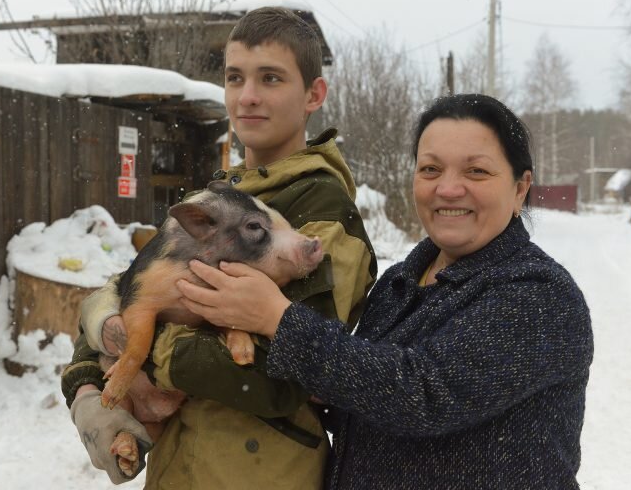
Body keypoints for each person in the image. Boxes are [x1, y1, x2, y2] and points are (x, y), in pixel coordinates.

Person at [177, 93, 595, 489]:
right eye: (430, 169)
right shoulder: (400, 283)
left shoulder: (540, 295)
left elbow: (422, 394)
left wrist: (278, 319)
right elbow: (369, 401)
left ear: (520, 188)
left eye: (476, 171)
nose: (448, 188)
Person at [61, 7, 377, 488]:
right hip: (177, 471)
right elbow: (135, 287)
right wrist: (86, 384)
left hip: (259, 474)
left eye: (270, 78)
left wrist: (137, 346)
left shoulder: (323, 213)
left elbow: (280, 378)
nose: (247, 96)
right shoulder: (214, 199)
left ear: (314, 94)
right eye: (235, 78)